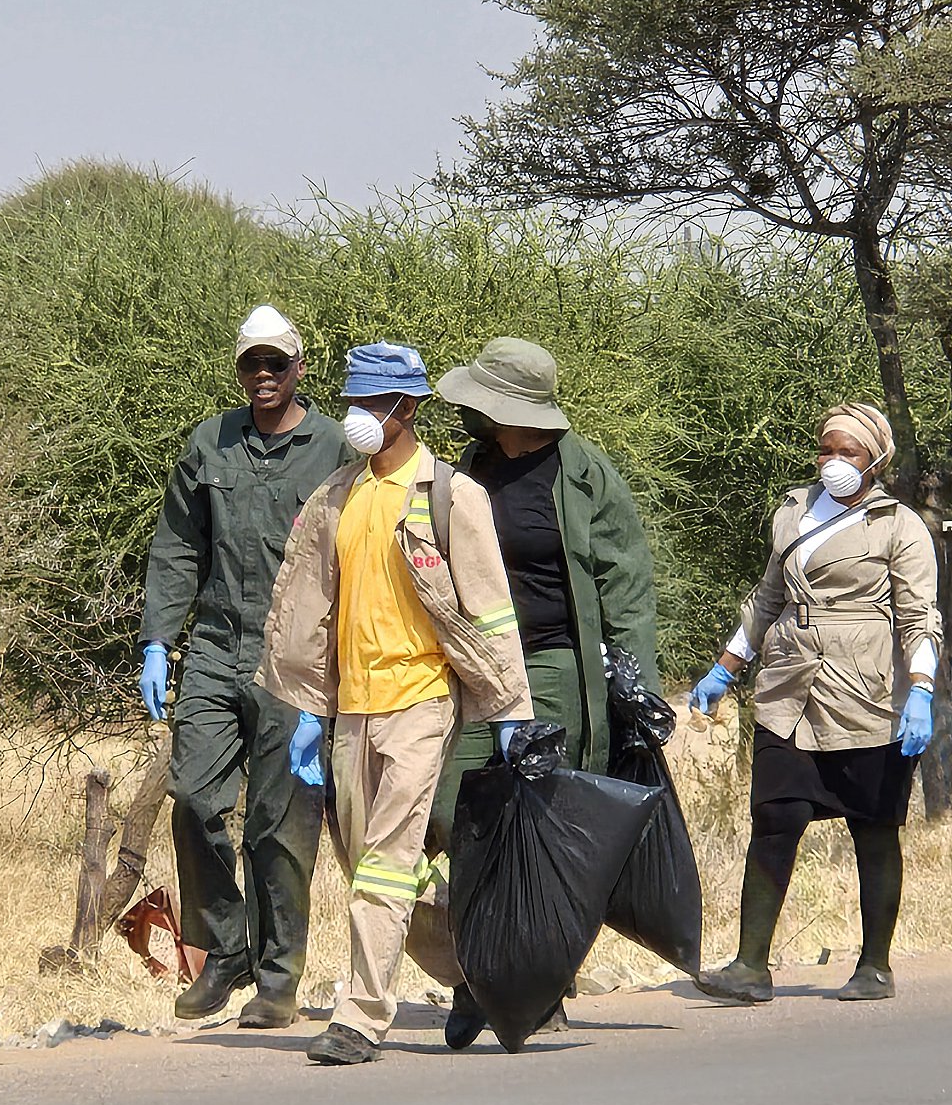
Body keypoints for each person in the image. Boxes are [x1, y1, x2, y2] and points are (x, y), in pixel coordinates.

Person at [257, 343, 533, 1065]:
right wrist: (309, 711)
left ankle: (360, 1017)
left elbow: (491, 610)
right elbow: (309, 607)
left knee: (384, 861)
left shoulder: (451, 496)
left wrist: (511, 713)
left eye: (372, 403)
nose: (358, 414)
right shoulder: (336, 496)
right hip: (353, 708)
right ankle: (475, 976)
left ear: (406, 408)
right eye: (353, 401)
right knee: (375, 868)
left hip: (422, 701)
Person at [429, 336, 661, 1047]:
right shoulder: (468, 468)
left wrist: (637, 684)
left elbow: (625, 581)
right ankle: (478, 974)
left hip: (557, 668)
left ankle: (534, 983)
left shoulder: (583, 472)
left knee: (542, 829)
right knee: (455, 814)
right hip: (479, 669)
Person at [138, 306, 350, 1027]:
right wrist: (158, 640)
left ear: (299, 368)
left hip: (296, 657)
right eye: (251, 364)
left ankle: (278, 977)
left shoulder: (334, 449)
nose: (263, 375)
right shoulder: (212, 441)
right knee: (194, 799)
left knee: (277, 823)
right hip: (215, 650)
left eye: (276, 363)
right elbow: (177, 545)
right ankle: (225, 950)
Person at [690, 400, 941, 1004]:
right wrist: (726, 667)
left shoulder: (898, 525)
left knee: (873, 827)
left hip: (867, 693)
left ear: (875, 459)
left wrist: (921, 688)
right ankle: (750, 965)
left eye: (848, 451)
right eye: (826, 449)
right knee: (775, 817)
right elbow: (767, 597)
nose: (833, 461)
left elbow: (919, 615)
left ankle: (874, 967)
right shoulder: (795, 510)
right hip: (789, 687)